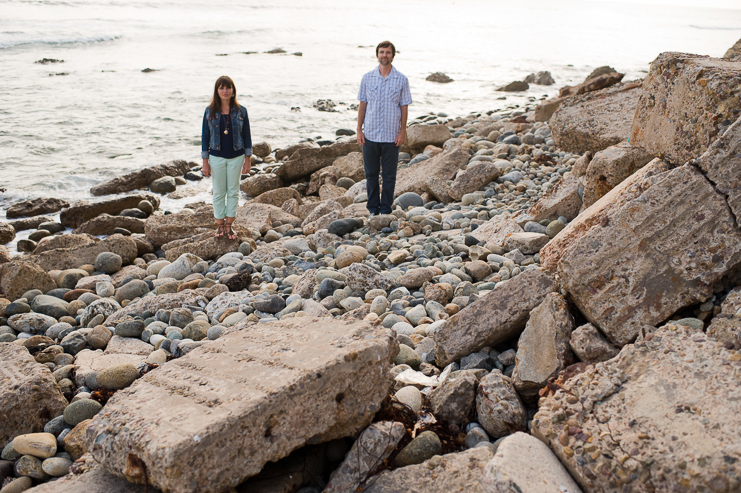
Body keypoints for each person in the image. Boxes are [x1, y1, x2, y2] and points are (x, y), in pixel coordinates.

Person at [356, 41, 412, 217]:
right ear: (377, 55)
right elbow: (362, 105)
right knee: (371, 174)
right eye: (381, 52)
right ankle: (373, 209)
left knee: (389, 176)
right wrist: (359, 129)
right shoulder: (367, 78)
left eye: (387, 52)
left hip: (391, 135)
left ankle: (386, 210)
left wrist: (402, 131)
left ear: (393, 55)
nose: (384, 55)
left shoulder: (401, 79)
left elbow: (404, 107)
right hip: (370, 133)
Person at [201, 75, 252, 240]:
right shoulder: (209, 111)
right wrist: (205, 162)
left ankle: (229, 226)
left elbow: (247, 136)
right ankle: (219, 226)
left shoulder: (241, 111)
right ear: (217, 91)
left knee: (233, 191)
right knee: (218, 192)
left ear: (233, 90)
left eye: (227, 87)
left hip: (236, 157)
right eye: (221, 88)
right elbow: (205, 137)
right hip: (216, 157)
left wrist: (248, 159)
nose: (225, 91)